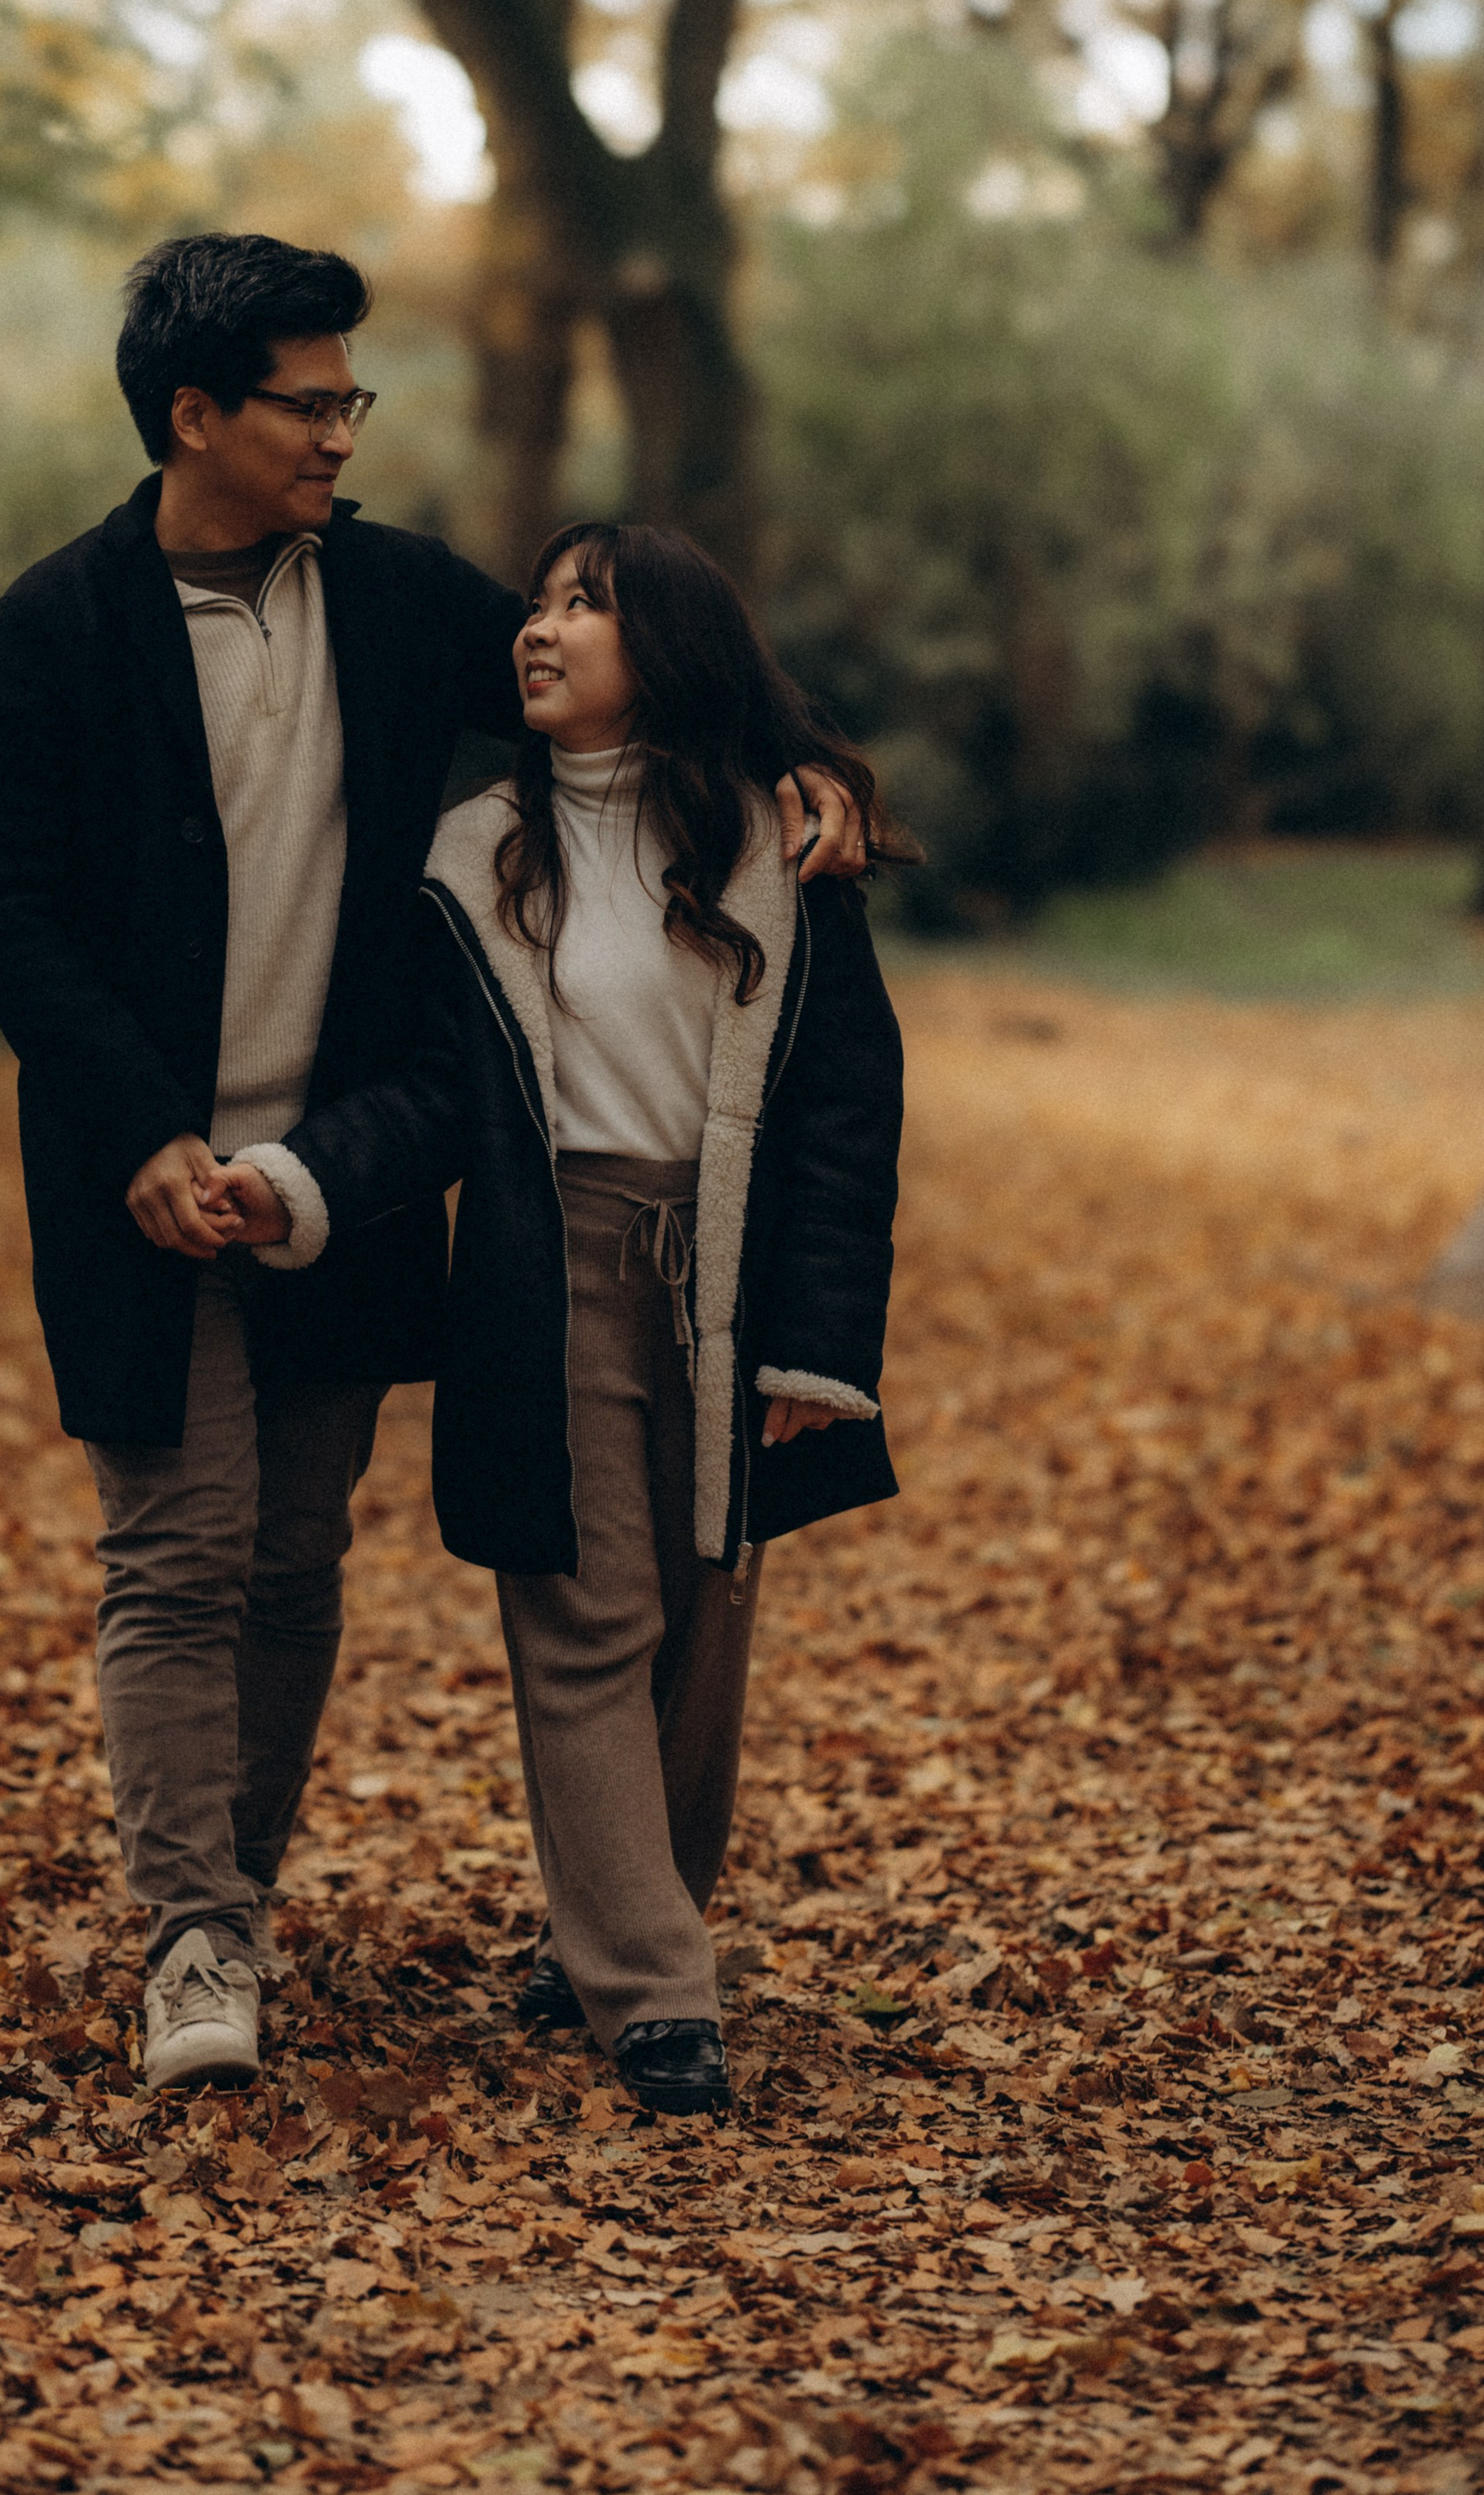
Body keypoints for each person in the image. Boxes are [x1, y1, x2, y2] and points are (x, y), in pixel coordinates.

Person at [0, 234, 866, 2096]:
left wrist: (805, 767)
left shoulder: (386, 597)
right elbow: (4, 905)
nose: (343, 435)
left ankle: (241, 1890)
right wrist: (138, 1126)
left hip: (354, 1163)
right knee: (174, 1543)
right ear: (194, 411)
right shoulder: (60, 625)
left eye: (349, 397)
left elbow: (630, 662)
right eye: (313, 398)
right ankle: (191, 1923)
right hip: (137, 1164)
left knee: (293, 1550)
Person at [205, 521, 905, 2116]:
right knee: (588, 1618)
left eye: (581, 605)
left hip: (723, 1273)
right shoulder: (471, 855)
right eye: (535, 600)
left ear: (660, 645)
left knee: (702, 1616)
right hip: (549, 1268)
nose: (538, 626)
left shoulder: (772, 841)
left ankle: (607, 1917)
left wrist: (817, 1347)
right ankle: (657, 1989)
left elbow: (844, 1106)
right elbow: (436, 1095)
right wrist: (295, 1179)